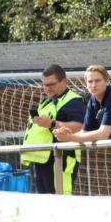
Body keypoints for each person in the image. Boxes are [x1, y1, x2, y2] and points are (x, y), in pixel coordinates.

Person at [54, 65, 111, 197]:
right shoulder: (92, 101)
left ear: (107, 81)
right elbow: (85, 132)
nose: (93, 85)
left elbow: (103, 134)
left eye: (97, 80)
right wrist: (66, 135)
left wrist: (70, 137)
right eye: (90, 81)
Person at [21, 64, 86, 194]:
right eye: (45, 85)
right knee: (45, 201)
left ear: (64, 81)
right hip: (42, 160)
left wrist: (52, 124)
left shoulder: (73, 101)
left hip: (60, 158)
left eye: (51, 84)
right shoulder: (47, 102)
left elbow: (81, 126)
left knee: (60, 198)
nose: (47, 88)